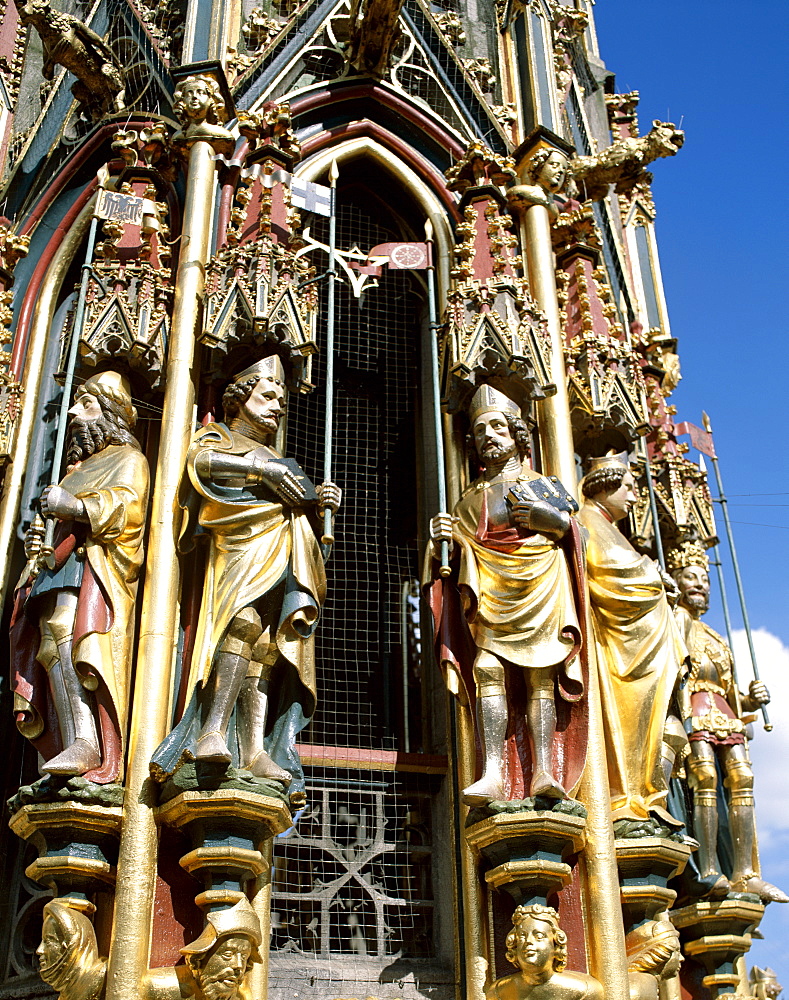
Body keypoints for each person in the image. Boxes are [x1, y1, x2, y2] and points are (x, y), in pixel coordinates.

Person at [151, 355, 340, 805]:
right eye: (268, 396)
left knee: (270, 643)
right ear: (240, 398)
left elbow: (310, 543)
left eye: (282, 400)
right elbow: (200, 463)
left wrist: (318, 509)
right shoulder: (222, 436)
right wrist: (264, 472)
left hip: (282, 552)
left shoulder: (281, 459)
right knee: (241, 624)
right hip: (240, 549)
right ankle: (212, 730)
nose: (278, 406)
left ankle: (254, 748)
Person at [428, 384, 583, 804]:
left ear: (517, 434)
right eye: (480, 432)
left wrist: (546, 518)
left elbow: (577, 535)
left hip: (540, 586)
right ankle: (494, 772)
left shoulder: (543, 485)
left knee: (540, 678)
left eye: (498, 427)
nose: (489, 437)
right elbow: (456, 550)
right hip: (492, 593)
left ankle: (545, 772)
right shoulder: (468, 499)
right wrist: (441, 540)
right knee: (487, 670)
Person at [10, 371, 150, 782]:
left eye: (86, 405)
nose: (73, 413)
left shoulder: (128, 459)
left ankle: (90, 741)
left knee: (72, 636)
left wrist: (73, 503)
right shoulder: (75, 468)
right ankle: (71, 737)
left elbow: (129, 509)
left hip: (92, 566)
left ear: (110, 414)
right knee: (52, 638)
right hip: (57, 565)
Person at [669, 540, 787, 903]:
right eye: (690, 577)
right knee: (704, 778)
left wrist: (752, 698)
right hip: (695, 708)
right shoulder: (676, 620)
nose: (700, 585)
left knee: (743, 778)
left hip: (724, 712)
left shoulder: (717, 637)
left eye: (704, 579)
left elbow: (731, 691)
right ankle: (708, 869)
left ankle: (745, 872)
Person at [577, 452, 686, 826]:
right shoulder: (589, 522)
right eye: (628, 487)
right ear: (604, 485)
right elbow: (613, 577)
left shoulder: (610, 528)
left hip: (642, 654)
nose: (635, 498)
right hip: (623, 660)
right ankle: (627, 801)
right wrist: (653, 575)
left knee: (671, 732)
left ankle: (649, 799)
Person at [486, 903, 603, 1000]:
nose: (528, 941)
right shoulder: (498, 993)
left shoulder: (584, 991)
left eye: (539, 936)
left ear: (556, 945)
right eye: (522, 937)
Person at [36, 900, 105, 1000]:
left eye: (48, 941)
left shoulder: (102, 978)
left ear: (69, 945)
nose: (39, 950)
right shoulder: (65, 996)